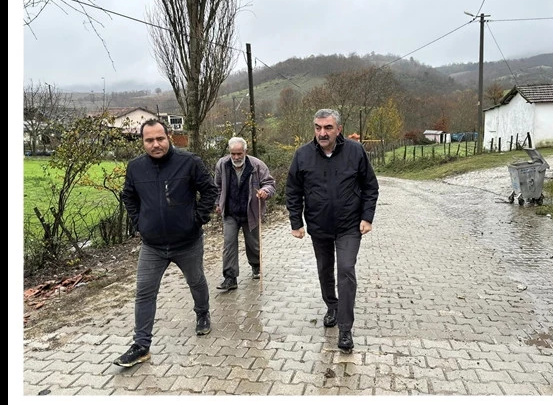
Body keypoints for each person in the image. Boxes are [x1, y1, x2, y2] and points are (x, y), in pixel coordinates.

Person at [114, 119, 217, 368]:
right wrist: (140, 222)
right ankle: (141, 345)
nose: (156, 144)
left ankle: (202, 313)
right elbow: (128, 195)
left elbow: (210, 191)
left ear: (168, 136)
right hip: (153, 245)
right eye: (149, 140)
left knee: (196, 281)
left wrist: (197, 220)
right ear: (143, 142)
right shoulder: (135, 167)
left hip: (187, 241)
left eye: (160, 138)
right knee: (144, 292)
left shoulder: (188, 162)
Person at [285, 109, 379, 352]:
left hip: (349, 225)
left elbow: (370, 186)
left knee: (345, 270)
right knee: (324, 270)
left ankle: (345, 328)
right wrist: (296, 222)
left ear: (338, 129)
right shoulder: (303, 155)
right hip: (319, 226)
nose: (322, 133)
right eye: (318, 127)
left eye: (327, 128)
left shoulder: (355, 151)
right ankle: (332, 306)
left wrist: (367, 217)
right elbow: (293, 190)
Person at [214, 137, 276, 291]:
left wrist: (265, 191)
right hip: (230, 212)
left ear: (245, 152)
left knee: (253, 244)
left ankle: (256, 265)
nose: (236, 157)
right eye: (233, 154)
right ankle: (230, 278)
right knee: (229, 244)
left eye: (239, 153)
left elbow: (270, 184)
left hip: (251, 211)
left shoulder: (256, 165)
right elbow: (217, 186)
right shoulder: (222, 164)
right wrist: (217, 203)